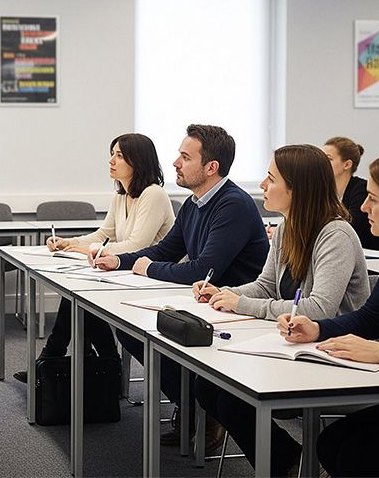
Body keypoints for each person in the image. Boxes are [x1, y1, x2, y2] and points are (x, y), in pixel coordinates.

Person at [194, 144, 370, 477]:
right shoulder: (287, 227)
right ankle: (292, 460)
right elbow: (264, 286)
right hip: (295, 345)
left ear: (297, 188)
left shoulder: (336, 234)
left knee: (233, 398)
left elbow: (318, 309)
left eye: (271, 178)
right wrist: (223, 293)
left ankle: (289, 465)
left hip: (337, 352)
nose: (262, 184)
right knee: (210, 387)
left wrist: (240, 303)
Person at [93, 124, 269, 450]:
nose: (175, 162)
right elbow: (164, 251)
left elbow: (203, 270)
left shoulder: (233, 205)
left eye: (185, 157)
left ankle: (204, 409)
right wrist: (124, 261)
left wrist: (149, 268)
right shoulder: (192, 204)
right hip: (205, 302)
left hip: (239, 310)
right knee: (130, 330)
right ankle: (194, 406)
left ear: (210, 167)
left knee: (153, 332)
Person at [282, 149, 379, 478]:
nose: (363, 207)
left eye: (373, 199)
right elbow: (371, 319)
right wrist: (318, 329)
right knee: (330, 443)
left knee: (356, 456)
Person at [13, 133, 175, 383]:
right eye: (112, 154)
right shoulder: (121, 195)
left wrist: (84, 250)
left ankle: (54, 360)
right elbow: (104, 234)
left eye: (119, 155)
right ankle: (101, 363)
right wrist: (70, 243)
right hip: (127, 275)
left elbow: (137, 245)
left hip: (154, 281)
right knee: (78, 297)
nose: (111, 160)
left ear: (138, 161)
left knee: (80, 299)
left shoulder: (153, 195)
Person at [322, 136, 379, 250]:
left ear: (347, 164)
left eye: (328, 159)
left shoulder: (363, 189)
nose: (322, 163)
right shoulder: (325, 190)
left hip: (371, 256)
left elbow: (350, 226)